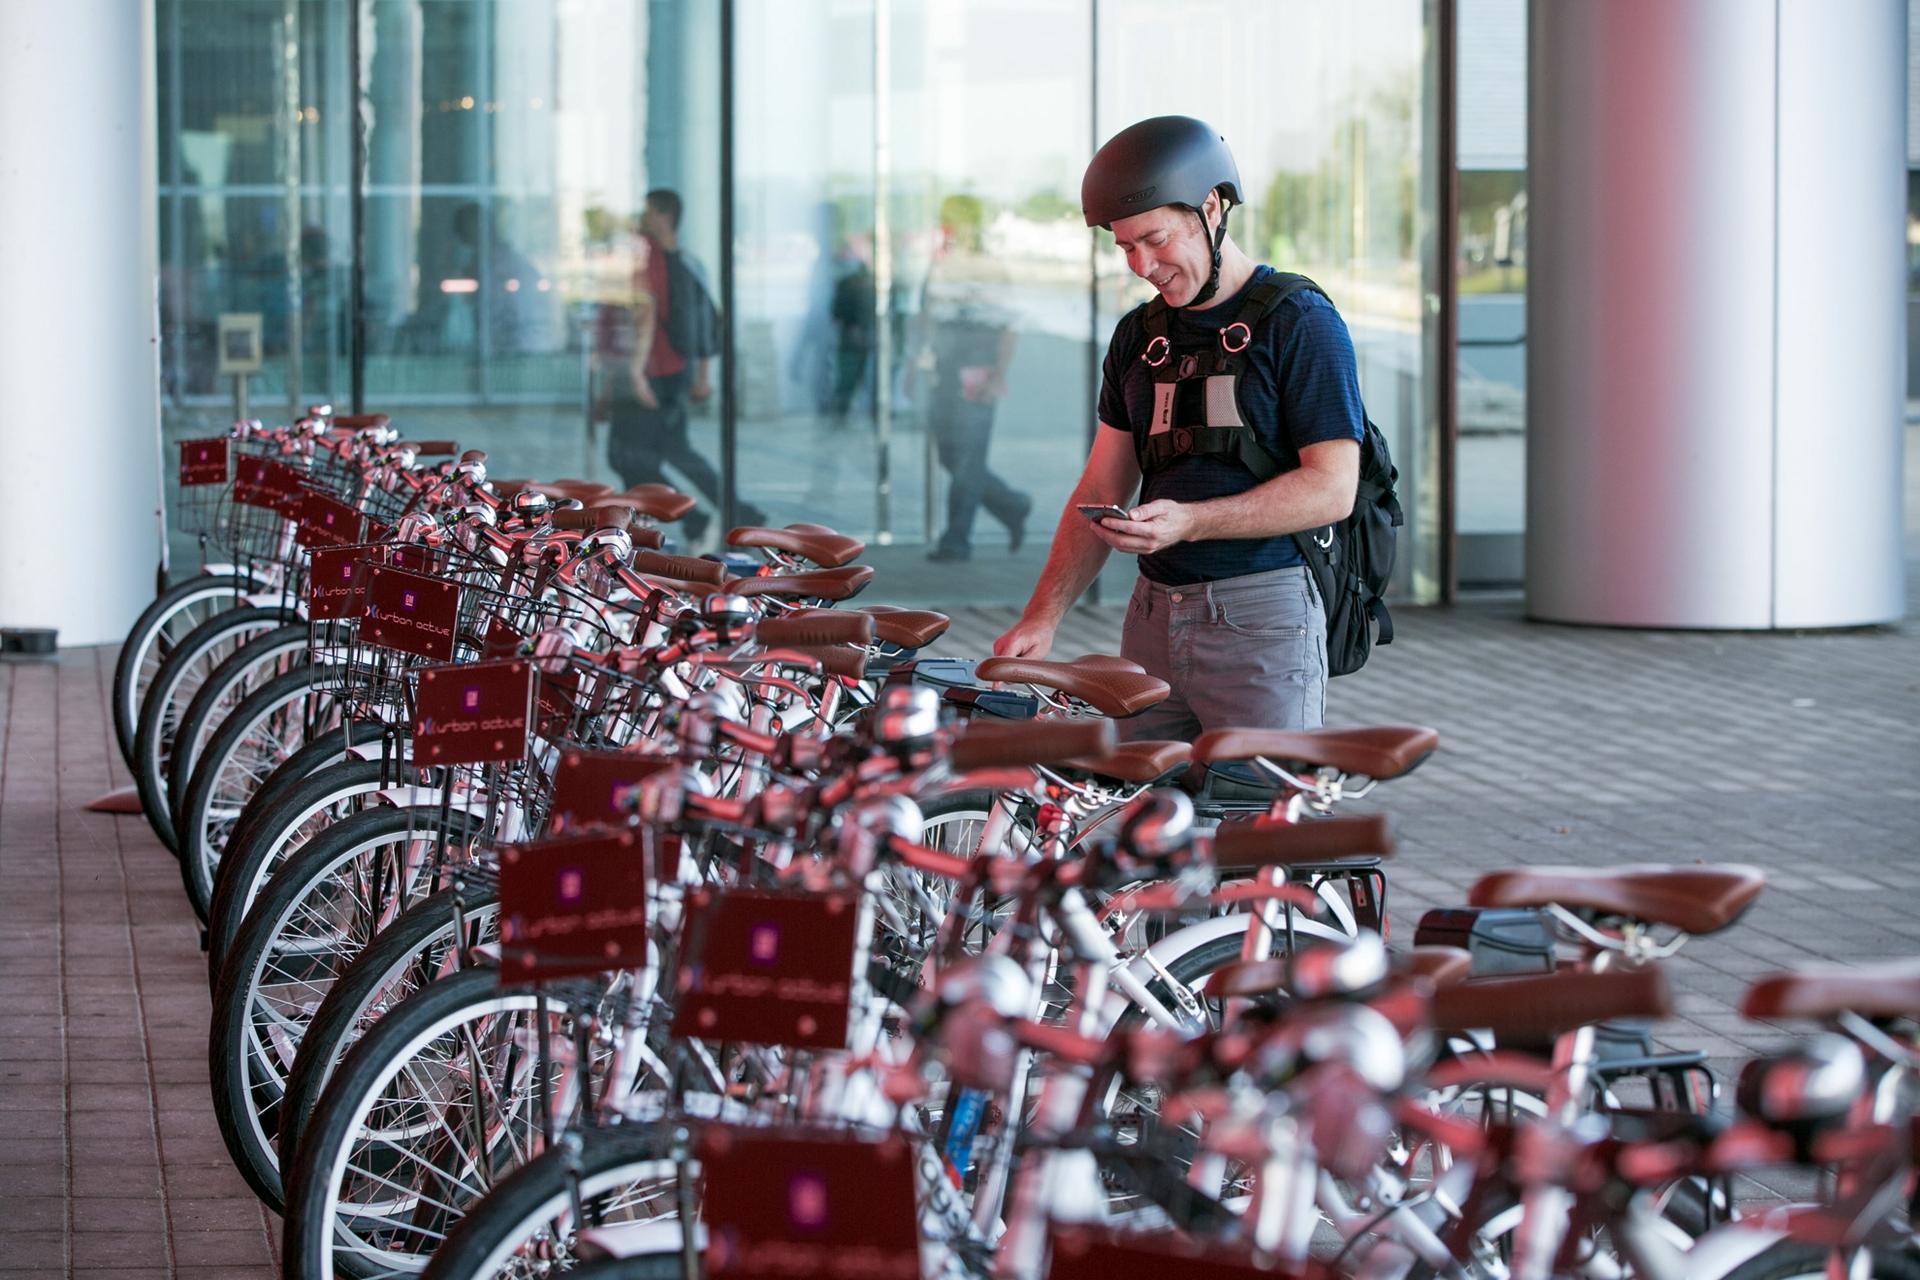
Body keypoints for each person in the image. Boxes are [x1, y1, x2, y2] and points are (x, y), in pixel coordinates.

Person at [993, 116, 1364, 738]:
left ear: (1212, 208)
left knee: (1255, 825)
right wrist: (1043, 616)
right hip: (1151, 618)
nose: (1142, 264)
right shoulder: (1138, 336)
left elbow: (1332, 489)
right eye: (1124, 247)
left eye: (1156, 239)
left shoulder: (1300, 322)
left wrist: (1192, 521)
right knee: (1136, 822)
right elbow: (1103, 480)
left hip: (1263, 618)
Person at [597, 189, 762, 543]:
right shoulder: (678, 259)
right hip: (663, 371)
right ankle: (727, 513)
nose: (641, 219)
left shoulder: (658, 256)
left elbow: (662, 313)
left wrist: (638, 375)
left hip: (655, 373)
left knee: (632, 457)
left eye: (647, 212)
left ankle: (688, 520)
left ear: (664, 216)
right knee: (662, 453)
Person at [910, 197, 1031, 562]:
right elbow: (925, 319)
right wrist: (913, 365)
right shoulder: (939, 265)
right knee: (951, 456)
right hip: (943, 376)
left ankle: (956, 540)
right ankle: (1012, 504)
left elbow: (1010, 325)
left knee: (966, 459)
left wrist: (997, 376)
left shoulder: (988, 267)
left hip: (976, 374)